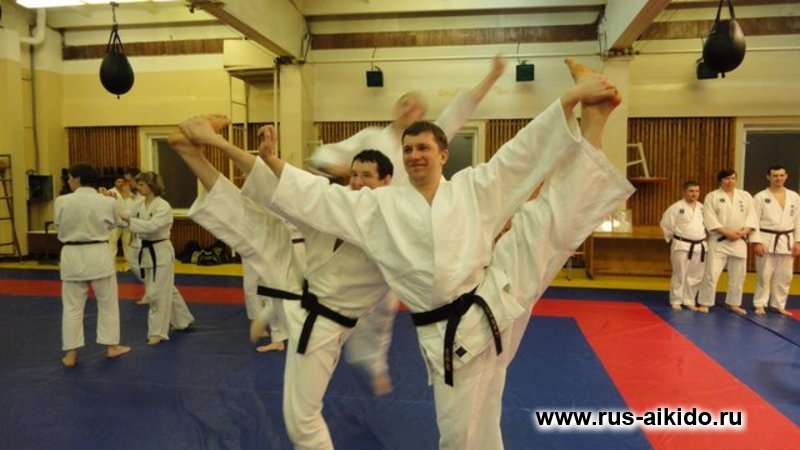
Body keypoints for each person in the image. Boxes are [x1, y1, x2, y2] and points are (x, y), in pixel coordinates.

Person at [212, 59, 631, 450]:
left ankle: (591, 120)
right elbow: (318, 196)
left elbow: (518, 158)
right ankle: (590, 117)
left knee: (545, 225)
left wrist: (566, 101)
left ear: (443, 155)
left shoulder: (472, 187)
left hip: (492, 294)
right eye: (409, 149)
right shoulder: (380, 207)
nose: (415, 155)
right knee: (464, 431)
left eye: (423, 148)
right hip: (454, 334)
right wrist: (270, 161)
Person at [173, 129, 395, 450]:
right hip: (303, 300)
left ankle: (209, 144)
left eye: (367, 176)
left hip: (325, 324)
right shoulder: (337, 204)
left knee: (302, 421)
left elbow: (385, 311)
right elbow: (272, 184)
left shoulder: (389, 222)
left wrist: (376, 362)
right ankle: (194, 153)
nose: (358, 182)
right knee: (260, 220)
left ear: (387, 181)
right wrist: (263, 157)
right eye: (355, 175)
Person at [54, 163, 131, 368]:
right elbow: (116, 224)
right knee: (107, 303)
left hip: (72, 254)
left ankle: (71, 354)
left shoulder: (61, 201)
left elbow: (58, 225)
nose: (69, 182)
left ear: (78, 179)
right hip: (98, 253)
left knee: (72, 307)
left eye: (70, 178)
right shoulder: (107, 201)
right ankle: (112, 346)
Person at [120, 171, 195, 345]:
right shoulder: (139, 204)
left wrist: (129, 221)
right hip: (147, 251)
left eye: (141, 184)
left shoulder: (163, 206)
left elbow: (152, 227)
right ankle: (183, 320)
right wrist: (111, 206)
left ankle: (158, 332)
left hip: (160, 251)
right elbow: (124, 216)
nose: (138, 187)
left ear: (152, 186)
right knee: (166, 288)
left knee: (156, 294)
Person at [696, 169, 758, 315]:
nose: (730, 181)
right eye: (726, 179)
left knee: (738, 275)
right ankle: (705, 302)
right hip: (719, 240)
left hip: (739, 240)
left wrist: (743, 231)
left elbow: (752, 217)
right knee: (711, 273)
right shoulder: (712, 196)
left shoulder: (745, 196)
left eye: (733, 178)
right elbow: (709, 218)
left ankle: (734, 303)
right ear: (720, 181)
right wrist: (727, 232)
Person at [750, 165, 799, 316]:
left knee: (785, 276)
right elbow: (753, 220)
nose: (779, 178)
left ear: (786, 176)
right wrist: (756, 242)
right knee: (764, 275)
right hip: (766, 239)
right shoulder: (760, 197)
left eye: (781, 175)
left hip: (787, 240)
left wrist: (798, 241)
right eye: (775, 176)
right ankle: (760, 303)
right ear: (768, 177)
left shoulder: (794, 196)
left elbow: (798, 221)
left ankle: (779, 304)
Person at [660, 180, 706, 311]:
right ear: (684, 192)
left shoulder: (702, 208)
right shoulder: (675, 207)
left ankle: (689, 300)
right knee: (679, 273)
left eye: (697, 191)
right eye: (691, 191)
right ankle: (676, 300)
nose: (694, 194)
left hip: (699, 245)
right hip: (681, 244)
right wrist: (675, 238)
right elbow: (666, 225)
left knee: (695, 275)